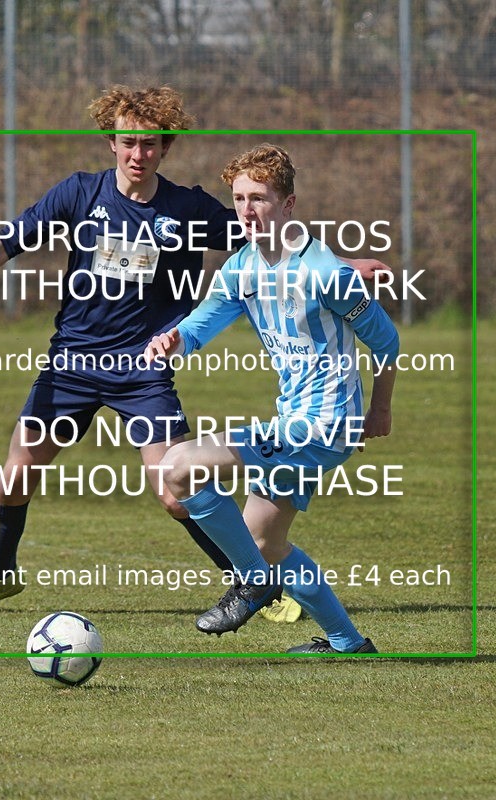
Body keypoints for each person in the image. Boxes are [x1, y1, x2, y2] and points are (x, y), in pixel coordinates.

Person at [0, 86, 387, 617]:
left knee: (175, 490)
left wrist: (345, 263)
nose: (139, 154)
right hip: (72, 363)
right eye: (129, 142)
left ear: (166, 147)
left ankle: (256, 585)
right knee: (16, 476)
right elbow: (6, 242)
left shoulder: (186, 208)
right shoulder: (78, 194)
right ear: (111, 142)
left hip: (144, 370)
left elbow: (267, 233)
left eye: (152, 144)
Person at [144, 144, 399, 654]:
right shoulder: (241, 267)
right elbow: (201, 324)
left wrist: (380, 409)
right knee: (266, 542)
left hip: (321, 424)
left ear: (288, 204)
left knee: (178, 466)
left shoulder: (326, 273)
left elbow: (387, 341)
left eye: (258, 198)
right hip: (296, 421)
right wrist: (174, 338)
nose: (246, 209)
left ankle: (253, 582)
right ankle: (347, 642)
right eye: (238, 198)